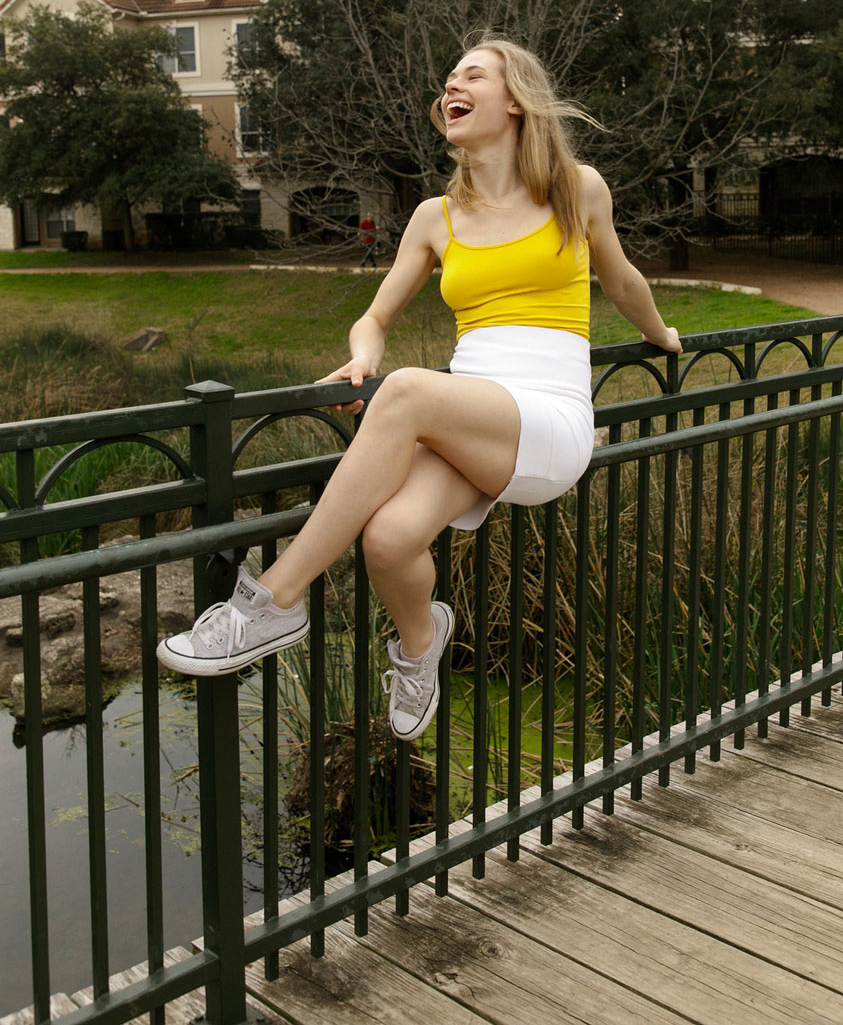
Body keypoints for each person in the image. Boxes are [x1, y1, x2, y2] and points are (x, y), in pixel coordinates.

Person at [156, 39, 682, 741]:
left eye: (472, 75)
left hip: (548, 418)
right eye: (448, 80)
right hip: (471, 417)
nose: (451, 86)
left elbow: (619, 280)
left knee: (404, 392)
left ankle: (272, 600)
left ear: (516, 100)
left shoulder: (575, 186)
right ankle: (418, 648)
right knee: (389, 539)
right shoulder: (436, 216)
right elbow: (375, 316)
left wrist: (662, 333)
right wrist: (360, 359)